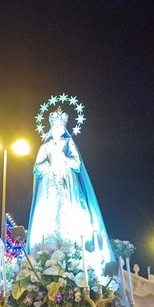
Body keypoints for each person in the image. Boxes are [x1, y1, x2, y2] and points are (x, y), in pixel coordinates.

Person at [27, 105, 114, 272]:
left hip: (67, 186)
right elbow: (37, 167)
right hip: (50, 187)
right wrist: (49, 165)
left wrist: (64, 160)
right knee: (50, 215)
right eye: (55, 126)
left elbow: (77, 164)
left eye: (61, 126)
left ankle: (72, 246)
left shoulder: (68, 144)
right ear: (51, 127)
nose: (58, 128)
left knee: (69, 214)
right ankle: (48, 247)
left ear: (64, 128)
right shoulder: (45, 147)